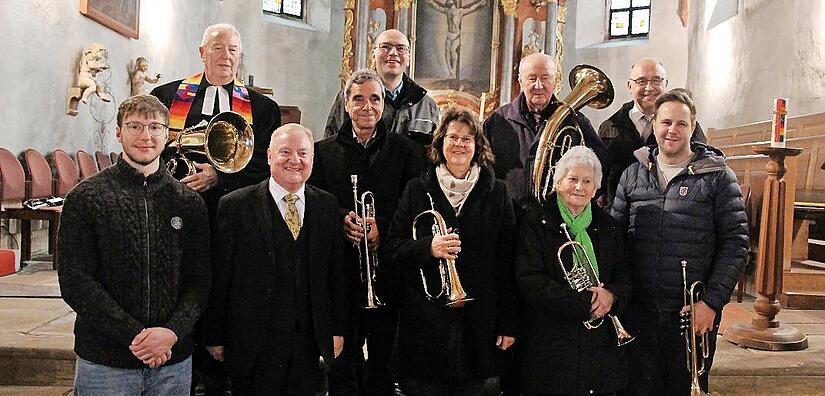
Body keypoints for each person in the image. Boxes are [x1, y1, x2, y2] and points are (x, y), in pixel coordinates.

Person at [58, 94, 211, 395]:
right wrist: (137, 336)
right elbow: (76, 282)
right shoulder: (86, 198)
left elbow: (200, 281)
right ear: (118, 132)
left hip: (172, 362)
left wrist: (171, 333)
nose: (146, 136)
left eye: (155, 127)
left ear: (168, 134)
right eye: (135, 126)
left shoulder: (189, 202)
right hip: (106, 363)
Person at [611, 90, 748, 395]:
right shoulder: (632, 175)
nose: (672, 130)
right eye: (666, 122)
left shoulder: (718, 176)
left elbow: (735, 243)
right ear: (654, 126)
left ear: (692, 126)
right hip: (640, 310)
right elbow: (615, 242)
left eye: (681, 124)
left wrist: (712, 302)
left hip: (691, 311)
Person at [203, 124, 348, 395]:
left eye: (303, 153)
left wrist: (337, 330)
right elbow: (220, 276)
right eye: (285, 152)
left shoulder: (326, 205)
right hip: (252, 342)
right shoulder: (235, 206)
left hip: (308, 342)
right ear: (269, 156)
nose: (295, 160)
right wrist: (215, 335)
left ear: (312, 160)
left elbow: (335, 275)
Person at [387, 107, 518, 396]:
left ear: (478, 147)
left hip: (479, 323)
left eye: (467, 139)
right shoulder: (416, 189)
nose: (459, 144)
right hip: (425, 325)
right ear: (440, 143)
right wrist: (427, 248)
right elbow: (393, 248)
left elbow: (508, 262)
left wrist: (507, 323)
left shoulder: (497, 192)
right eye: (452, 137)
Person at [309, 69, 423, 395]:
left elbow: (414, 207)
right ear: (346, 103)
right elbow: (316, 205)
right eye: (358, 99)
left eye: (374, 99)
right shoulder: (323, 151)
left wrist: (382, 228)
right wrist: (342, 218)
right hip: (342, 278)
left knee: (384, 369)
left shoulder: (407, 152)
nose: (366, 106)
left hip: (388, 276)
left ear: (383, 103)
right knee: (343, 368)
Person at [516, 146, 630, 395]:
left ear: (595, 188)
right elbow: (530, 281)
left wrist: (611, 296)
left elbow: (624, 275)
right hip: (550, 339)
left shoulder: (608, 225)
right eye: (573, 179)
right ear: (558, 182)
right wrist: (583, 302)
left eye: (587, 181)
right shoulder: (535, 222)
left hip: (598, 342)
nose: (579, 187)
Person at [151, 23, 280, 216]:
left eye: (233, 50)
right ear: (202, 52)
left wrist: (219, 178)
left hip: (233, 209)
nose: (226, 56)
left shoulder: (263, 108)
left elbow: (264, 161)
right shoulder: (165, 96)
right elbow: (153, 146)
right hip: (174, 203)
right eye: (218, 47)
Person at [483, 53, 607, 214]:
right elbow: (484, 170)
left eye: (545, 78)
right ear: (520, 81)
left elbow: (600, 165)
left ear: (555, 81)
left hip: (558, 217)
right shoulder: (498, 120)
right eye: (532, 78)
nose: (539, 85)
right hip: (509, 216)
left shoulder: (575, 121)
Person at [598, 59, 707, 209]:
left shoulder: (686, 127)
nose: (649, 88)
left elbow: (701, 165)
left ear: (665, 84)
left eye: (656, 80)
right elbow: (601, 176)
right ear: (630, 86)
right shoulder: (609, 127)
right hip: (619, 213)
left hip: (670, 210)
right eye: (641, 81)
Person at [325, 29, 440, 145]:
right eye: (385, 47)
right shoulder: (351, 97)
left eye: (401, 48)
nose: (393, 53)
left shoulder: (426, 105)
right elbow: (332, 147)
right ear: (373, 56)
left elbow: (434, 153)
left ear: (409, 58)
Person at [426, 0, 487, 78]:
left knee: (453, 51)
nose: (449, 4)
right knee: (446, 52)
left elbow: (471, 8)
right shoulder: (447, 11)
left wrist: (479, 3)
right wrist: (431, 2)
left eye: (450, 3)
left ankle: (454, 71)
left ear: (453, 3)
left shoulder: (459, 12)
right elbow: (437, 7)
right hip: (449, 34)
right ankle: (451, 72)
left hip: (456, 35)